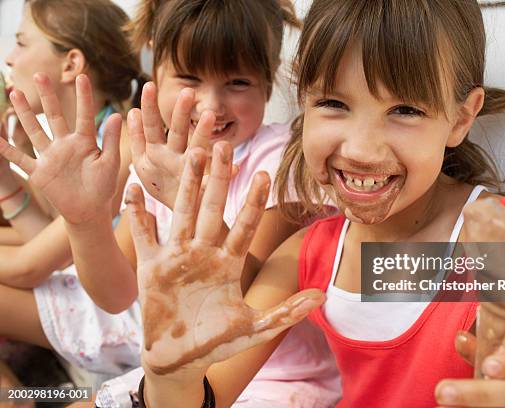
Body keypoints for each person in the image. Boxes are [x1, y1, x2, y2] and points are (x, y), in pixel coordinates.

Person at [117, 0, 505, 407]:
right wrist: (168, 376)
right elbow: (205, 395)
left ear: (462, 117)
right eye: (334, 104)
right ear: (303, 99)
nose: (361, 149)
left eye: (405, 110)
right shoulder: (305, 256)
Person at [2, 1, 341, 406]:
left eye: (237, 83)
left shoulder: (282, 160)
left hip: (275, 380)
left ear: (266, 85)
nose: (211, 106)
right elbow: (116, 295)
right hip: (178, 368)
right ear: (155, 75)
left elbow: (248, 291)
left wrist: (193, 199)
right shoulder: (157, 163)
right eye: (189, 78)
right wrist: (85, 221)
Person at [0, 0, 142, 376]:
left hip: (118, 317)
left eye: (22, 42)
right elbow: (44, 240)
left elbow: (30, 266)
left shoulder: (119, 144)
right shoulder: (87, 138)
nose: (10, 59)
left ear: (71, 64)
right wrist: (3, 173)